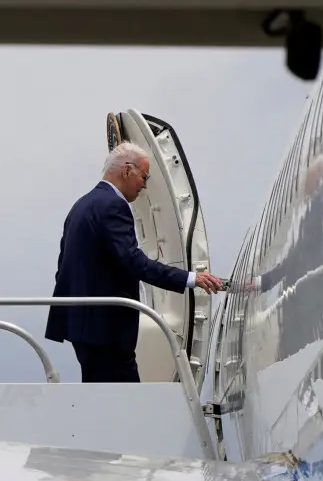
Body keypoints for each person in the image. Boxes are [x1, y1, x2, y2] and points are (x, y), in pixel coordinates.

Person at [44, 142, 223, 383]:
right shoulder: (113, 205)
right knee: (125, 406)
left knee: (104, 399)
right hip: (106, 330)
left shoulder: (82, 206)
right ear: (127, 170)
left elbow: (63, 266)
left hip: (83, 327)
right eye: (144, 176)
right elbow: (134, 261)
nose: (144, 185)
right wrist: (191, 278)